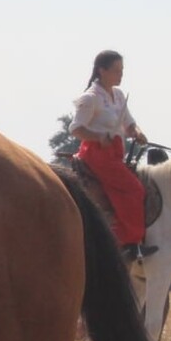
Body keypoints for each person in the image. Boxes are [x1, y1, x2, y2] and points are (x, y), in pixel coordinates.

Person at [71, 50, 149, 258]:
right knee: (134, 190)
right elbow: (76, 128)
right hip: (97, 153)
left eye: (122, 70)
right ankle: (128, 241)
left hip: (115, 152)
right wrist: (98, 136)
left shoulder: (119, 95)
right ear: (101, 71)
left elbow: (129, 123)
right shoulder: (90, 98)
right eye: (116, 71)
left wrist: (137, 132)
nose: (120, 75)